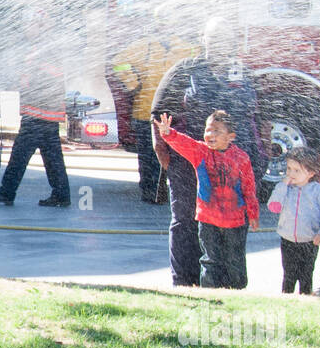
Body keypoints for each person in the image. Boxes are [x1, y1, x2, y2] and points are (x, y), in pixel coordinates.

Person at [150, 18, 264, 286]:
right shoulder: (185, 71)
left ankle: (226, 283)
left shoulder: (243, 74)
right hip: (191, 163)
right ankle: (185, 282)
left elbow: (259, 116)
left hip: (233, 168)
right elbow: (159, 112)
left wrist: (260, 157)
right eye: (214, 38)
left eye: (226, 38)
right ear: (204, 40)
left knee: (231, 225)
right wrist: (161, 149)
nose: (220, 44)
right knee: (185, 221)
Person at [155, 109, 259, 289]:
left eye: (216, 131)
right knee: (211, 260)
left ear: (231, 136)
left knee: (235, 260)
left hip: (235, 221)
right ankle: (210, 292)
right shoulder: (201, 152)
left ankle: (237, 291)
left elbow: (249, 188)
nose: (210, 134)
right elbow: (183, 143)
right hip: (208, 219)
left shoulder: (241, 158)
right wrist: (168, 133)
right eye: (208, 130)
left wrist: (253, 214)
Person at [0, 9, 70, 207]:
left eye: (29, 25)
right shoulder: (44, 46)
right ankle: (62, 194)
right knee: (52, 156)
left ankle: (7, 191)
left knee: (19, 154)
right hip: (47, 114)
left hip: (38, 114)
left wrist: (21, 82)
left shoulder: (44, 49)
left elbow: (40, 78)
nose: (26, 29)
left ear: (40, 26)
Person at [110, 32, 198, 204]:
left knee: (169, 154)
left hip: (170, 113)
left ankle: (162, 190)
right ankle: (151, 190)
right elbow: (117, 63)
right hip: (146, 111)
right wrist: (133, 83)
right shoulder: (144, 46)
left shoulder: (185, 48)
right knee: (147, 155)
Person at [267, 146, 320, 295]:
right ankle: (286, 298)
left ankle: (305, 298)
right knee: (288, 274)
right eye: (289, 169)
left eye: (297, 170)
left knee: (306, 275)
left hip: (309, 240)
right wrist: (282, 185)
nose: (291, 174)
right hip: (287, 239)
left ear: (310, 173)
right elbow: (274, 207)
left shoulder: (317, 191)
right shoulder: (285, 188)